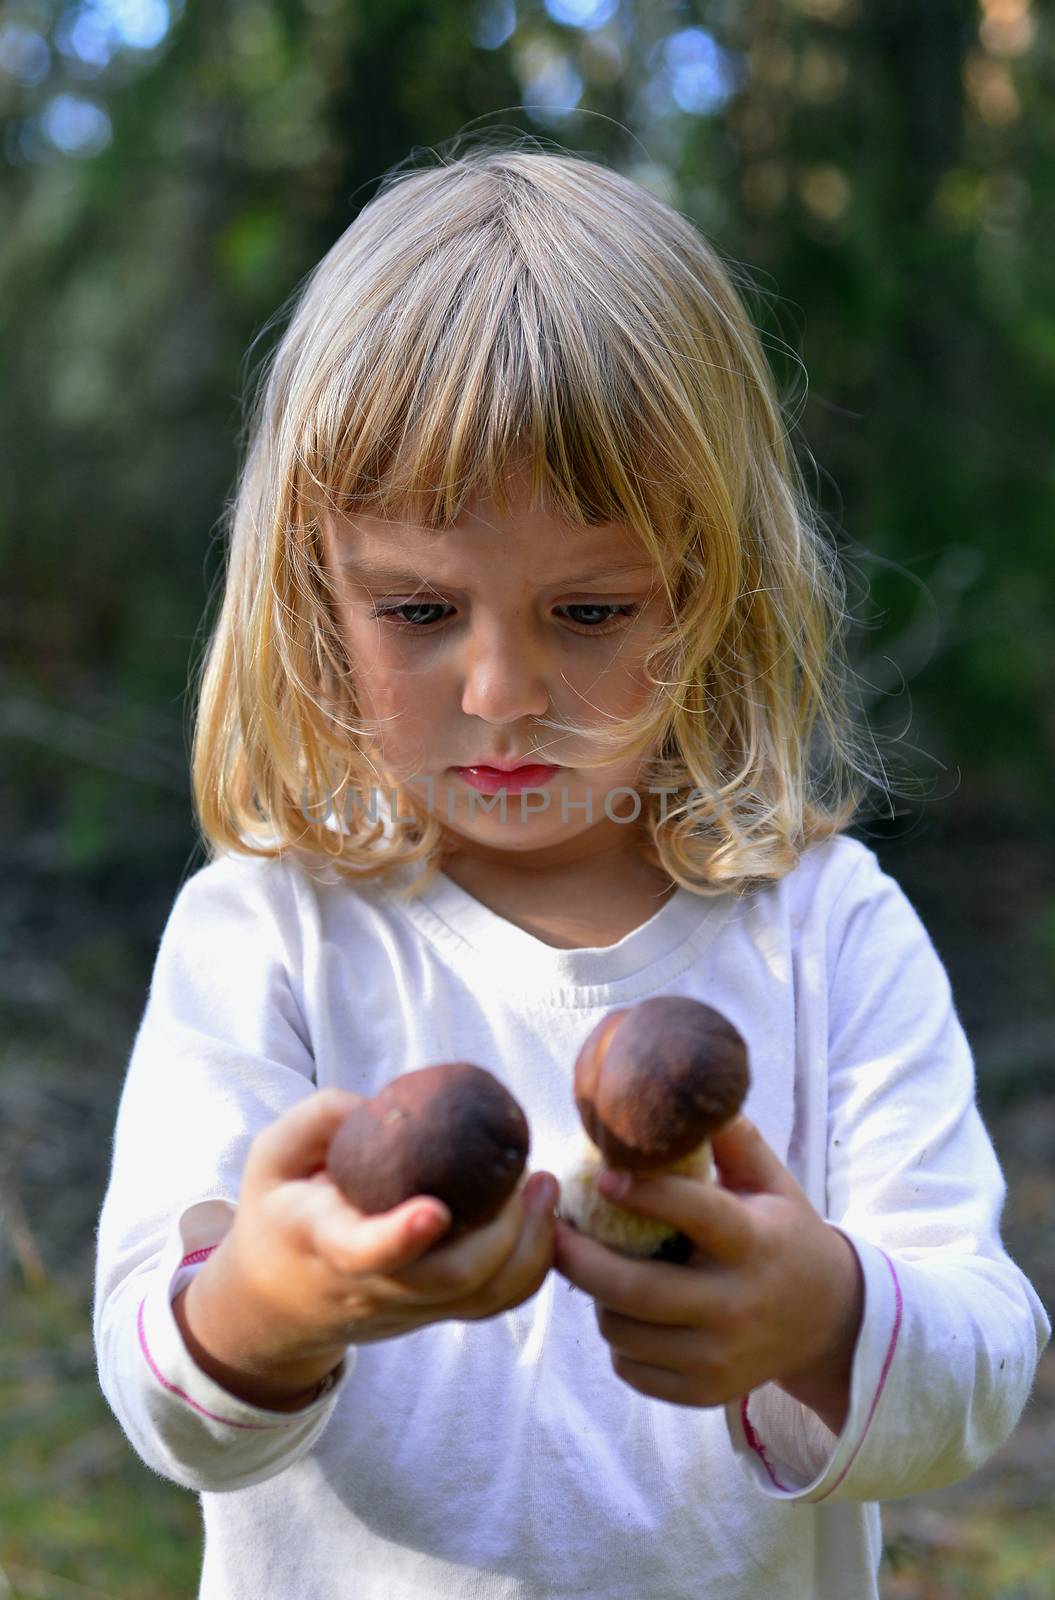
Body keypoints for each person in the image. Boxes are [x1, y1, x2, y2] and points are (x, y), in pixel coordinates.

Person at [92, 143, 1050, 1600]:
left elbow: (980, 1363)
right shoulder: (268, 936)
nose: (500, 691)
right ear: (310, 591)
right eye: (417, 607)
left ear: (717, 590)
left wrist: (822, 1312)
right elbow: (166, 1399)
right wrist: (272, 1304)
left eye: (591, 609)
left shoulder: (826, 931)